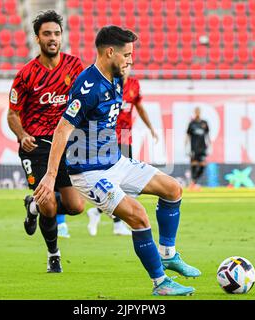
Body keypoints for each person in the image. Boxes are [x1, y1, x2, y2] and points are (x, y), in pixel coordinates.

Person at [33, 26, 201, 296]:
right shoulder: (88, 86)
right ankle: (161, 284)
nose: (130, 60)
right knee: (138, 216)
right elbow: (63, 128)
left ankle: (168, 255)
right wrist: (52, 174)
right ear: (109, 52)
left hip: (115, 162)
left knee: (173, 189)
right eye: (127, 54)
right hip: (88, 172)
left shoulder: (117, 78)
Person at [7, 10, 85, 273]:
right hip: (37, 147)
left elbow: (85, 100)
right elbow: (12, 113)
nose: (53, 38)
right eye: (47, 34)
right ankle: (54, 255)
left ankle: (34, 204)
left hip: (66, 145)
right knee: (49, 202)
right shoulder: (26, 75)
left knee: (76, 206)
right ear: (37, 38)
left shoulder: (75, 66)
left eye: (57, 34)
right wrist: (22, 135)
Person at [86, 65, 159, 237]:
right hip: (107, 138)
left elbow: (139, 108)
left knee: (123, 182)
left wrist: (151, 128)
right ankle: (117, 223)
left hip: (126, 138)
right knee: (113, 181)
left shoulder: (134, 85)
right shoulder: (109, 84)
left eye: (128, 65)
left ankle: (98, 213)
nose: (125, 69)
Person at [186, 107, 211, 189]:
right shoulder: (192, 123)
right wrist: (186, 147)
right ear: (194, 112)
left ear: (200, 112)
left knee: (203, 164)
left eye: (198, 111)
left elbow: (207, 135)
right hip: (194, 148)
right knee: (194, 163)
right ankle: (193, 183)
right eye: (196, 111)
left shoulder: (204, 123)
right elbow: (188, 136)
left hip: (202, 147)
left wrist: (210, 145)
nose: (197, 113)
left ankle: (193, 182)